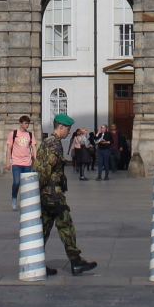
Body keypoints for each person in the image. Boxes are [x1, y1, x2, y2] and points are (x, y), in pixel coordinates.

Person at [35, 113, 98, 276]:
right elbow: (44, 170)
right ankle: (76, 262)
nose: (69, 132)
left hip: (47, 193)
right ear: (60, 127)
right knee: (66, 226)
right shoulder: (54, 144)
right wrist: (38, 190)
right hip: (52, 194)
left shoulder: (49, 142)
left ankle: (35, 261)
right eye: (67, 129)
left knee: (44, 228)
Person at [4, 114, 37, 209]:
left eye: (28, 123)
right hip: (16, 163)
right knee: (16, 182)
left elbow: (34, 147)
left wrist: (36, 159)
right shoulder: (13, 134)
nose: (27, 125)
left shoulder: (30, 135)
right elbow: (9, 148)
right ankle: (14, 198)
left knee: (26, 184)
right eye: (25, 123)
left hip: (27, 163)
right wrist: (7, 162)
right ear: (20, 123)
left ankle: (24, 202)